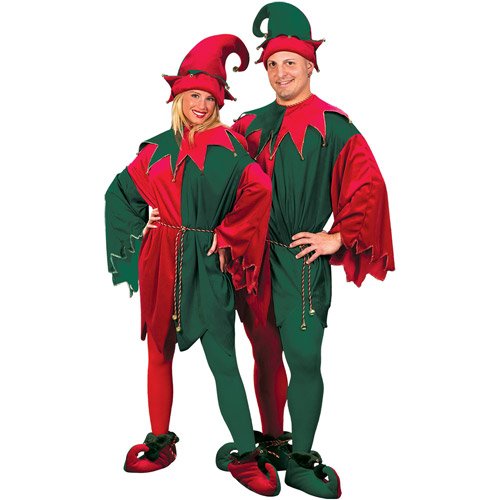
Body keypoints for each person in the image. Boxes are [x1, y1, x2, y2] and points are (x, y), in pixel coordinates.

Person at [216, 3, 395, 498]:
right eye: (272, 64)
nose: (280, 73)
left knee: (304, 356)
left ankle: (300, 459)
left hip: (299, 260)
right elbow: (216, 179)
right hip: (254, 260)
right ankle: (273, 441)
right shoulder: (248, 125)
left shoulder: (334, 126)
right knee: (264, 352)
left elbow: (369, 185)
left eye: (290, 63)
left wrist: (339, 236)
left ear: (310, 65)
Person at [105, 34, 280, 496]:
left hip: (206, 264)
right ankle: (160, 441)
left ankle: (246, 453)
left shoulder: (230, 148)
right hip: (161, 258)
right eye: (193, 96)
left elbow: (259, 190)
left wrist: (228, 234)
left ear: (219, 103)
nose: (201, 105)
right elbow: (118, 192)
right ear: (178, 98)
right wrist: (142, 222)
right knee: (158, 351)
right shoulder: (156, 149)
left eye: (209, 98)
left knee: (223, 359)